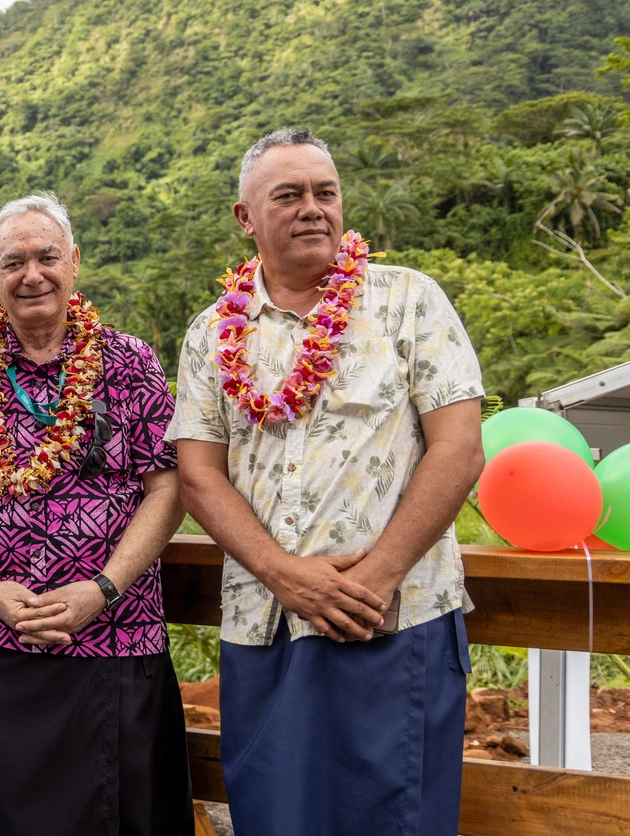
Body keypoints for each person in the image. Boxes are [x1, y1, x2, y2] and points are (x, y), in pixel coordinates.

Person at [169, 128, 487, 836]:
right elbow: (197, 475)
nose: (312, 208)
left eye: (325, 192)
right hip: (266, 624)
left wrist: (378, 576)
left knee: (397, 820)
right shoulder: (210, 333)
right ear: (246, 218)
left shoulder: (409, 300)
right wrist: (285, 575)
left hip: (393, 618)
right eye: (288, 195)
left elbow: (459, 450)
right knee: (276, 818)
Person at [0, 192, 193, 836]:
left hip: (117, 637)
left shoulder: (130, 364)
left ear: (74, 261)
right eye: (13, 262)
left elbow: (170, 487)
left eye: (46, 257)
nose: (31, 274)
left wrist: (102, 588)